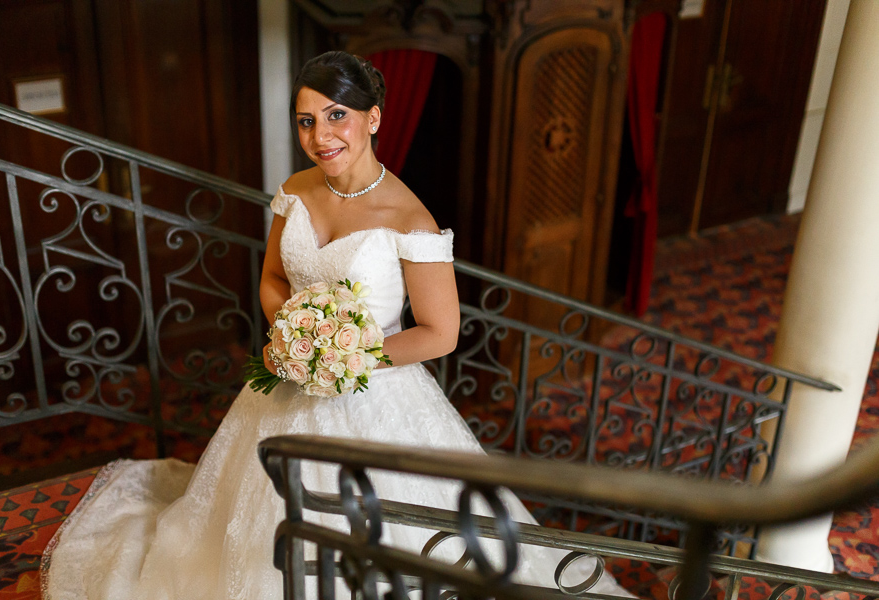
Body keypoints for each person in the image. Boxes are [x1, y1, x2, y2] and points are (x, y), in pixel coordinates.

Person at [42, 51, 629, 599]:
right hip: (285, 380)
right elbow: (273, 279)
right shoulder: (296, 191)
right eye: (305, 120)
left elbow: (439, 333)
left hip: (374, 393)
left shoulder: (410, 220)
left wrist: (342, 358)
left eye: (337, 115)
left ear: (374, 118)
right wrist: (293, 334)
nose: (320, 136)